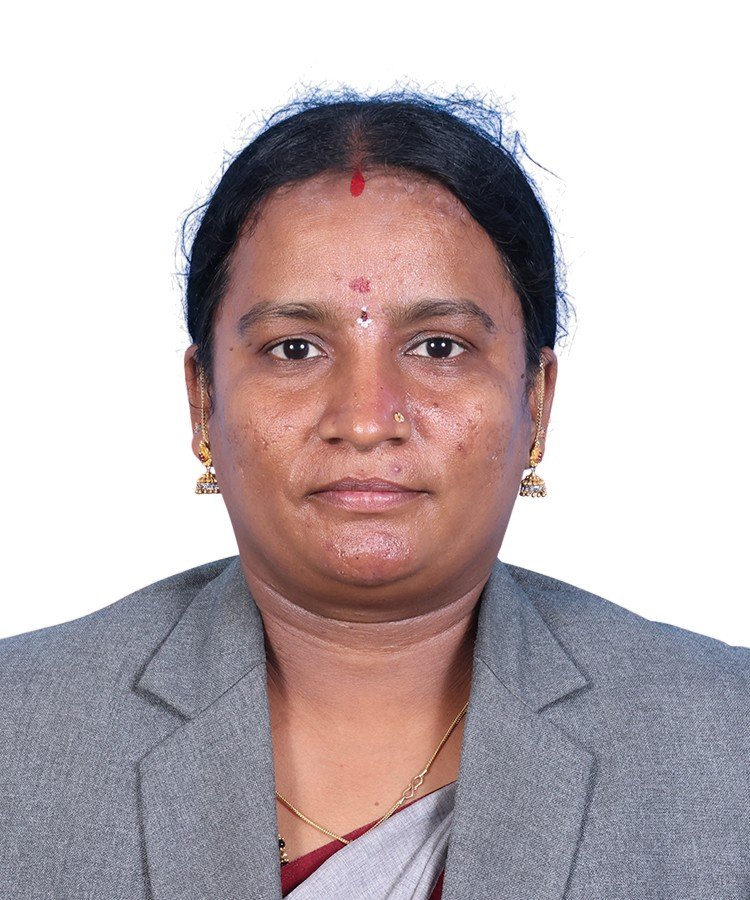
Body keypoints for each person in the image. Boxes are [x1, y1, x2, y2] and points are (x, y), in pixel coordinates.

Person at [0, 91, 747, 900]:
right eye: (294, 348)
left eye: (438, 347)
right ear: (202, 399)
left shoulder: (724, 740)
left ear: (536, 402)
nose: (364, 420)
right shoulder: (21, 732)